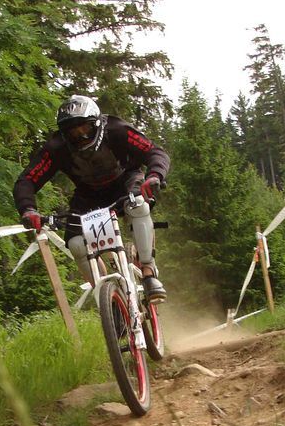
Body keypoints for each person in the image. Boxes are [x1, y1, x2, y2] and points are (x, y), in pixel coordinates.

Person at [13, 95, 169, 302]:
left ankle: (148, 272)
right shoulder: (56, 148)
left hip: (126, 180)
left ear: (97, 124)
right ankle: (109, 297)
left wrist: (154, 176)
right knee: (76, 243)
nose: (81, 137)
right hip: (89, 194)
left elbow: (154, 151)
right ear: (64, 134)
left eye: (85, 129)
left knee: (138, 205)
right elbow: (27, 180)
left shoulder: (116, 129)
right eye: (73, 133)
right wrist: (28, 209)